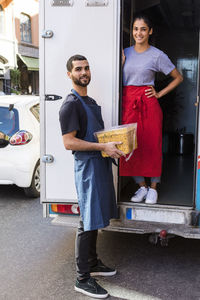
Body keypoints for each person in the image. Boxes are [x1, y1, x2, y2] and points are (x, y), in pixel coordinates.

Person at [59, 54, 125, 299]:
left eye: (86, 68)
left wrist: (116, 143)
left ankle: (93, 262)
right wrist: (102, 148)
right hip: (88, 168)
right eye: (78, 69)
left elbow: (96, 136)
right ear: (70, 74)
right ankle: (82, 277)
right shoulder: (71, 104)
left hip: (99, 164)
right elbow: (69, 142)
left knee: (94, 215)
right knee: (86, 220)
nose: (83, 72)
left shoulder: (90, 101)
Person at [120, 13, 183, 204]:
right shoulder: (124, 53)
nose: (138, 33)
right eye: (136, 29)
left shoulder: (157, 55)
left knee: (152, 146)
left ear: (150, 32)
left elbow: (178, 77)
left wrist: (159, 94)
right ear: (132, 31)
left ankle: (154, 188)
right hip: (128, 104)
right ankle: (142, 187)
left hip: (148, 105)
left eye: (143, 29)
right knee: (129, 146)